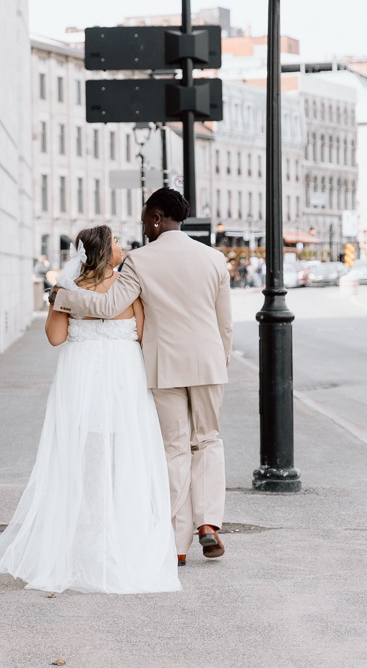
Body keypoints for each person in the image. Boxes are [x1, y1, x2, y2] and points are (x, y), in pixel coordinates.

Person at [0, 225, 180, 595]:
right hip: (122, 378)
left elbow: (56, 338)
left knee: (82, 457)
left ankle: (81, 544)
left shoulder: (66, 292)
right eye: (117, 241)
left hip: (81, 378)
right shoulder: (127, 287)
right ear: (106, 252)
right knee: (124, 457)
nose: (123, 246)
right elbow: (141, 333)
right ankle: (118, 540)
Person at [51, 188, 232, 566]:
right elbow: (224, 324)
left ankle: (177, 544)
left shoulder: (140, 261)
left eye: (145, 218)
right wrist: (221, 362)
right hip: (208, 362)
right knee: (208, 441)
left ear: (155, 218)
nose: (142, 227)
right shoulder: (214, 259)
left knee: (176, 448)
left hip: (163, 364)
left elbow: (109, 306)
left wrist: (62, 298)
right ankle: (209, 524)